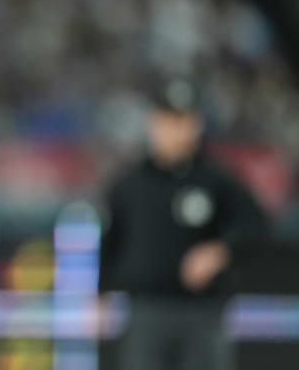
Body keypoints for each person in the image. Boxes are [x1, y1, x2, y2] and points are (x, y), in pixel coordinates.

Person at [99, 78, 267, 370]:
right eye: (170, 121)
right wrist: (100, 294)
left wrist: (221, 250)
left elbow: (255, 226)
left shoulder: (216, 180)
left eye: (185, 121)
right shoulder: (129, 184)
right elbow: (111, 241)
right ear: (153, 123)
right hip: (145, 312)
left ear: (197, 124)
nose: (177, 131)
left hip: (202, 312)